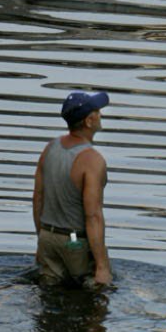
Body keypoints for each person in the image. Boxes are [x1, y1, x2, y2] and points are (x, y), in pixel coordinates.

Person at [31, 90, 112, 288]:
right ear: (89, 121)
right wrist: (101, 266)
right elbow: (93, 215)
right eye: (97, 111)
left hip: (48, 238)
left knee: (48, 298)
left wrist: (41, 237)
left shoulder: (50, 148)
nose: (100, 115)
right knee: (94, 296)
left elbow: (37, 198)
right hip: (75, 243)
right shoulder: (92, 160)